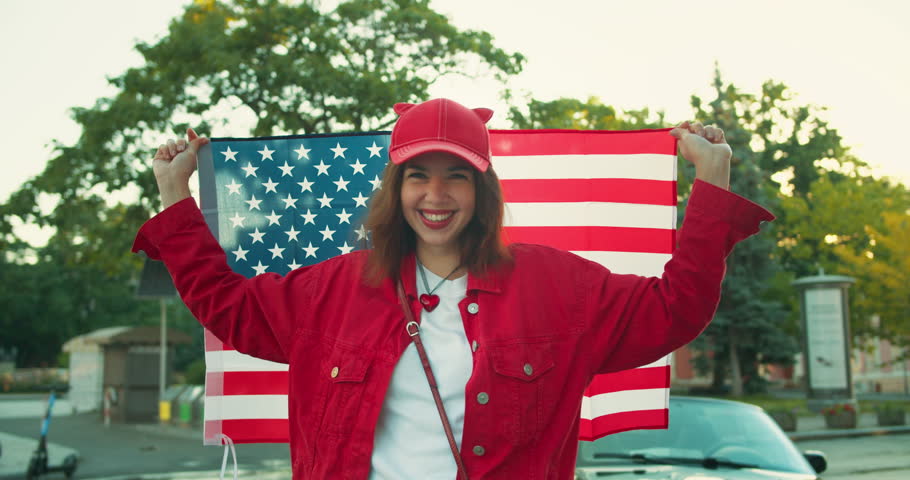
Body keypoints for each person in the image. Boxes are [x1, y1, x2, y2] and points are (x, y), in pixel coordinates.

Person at [133, 98, 774, 479]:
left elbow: (674, 310)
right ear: (395, 189)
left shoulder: (558, 285)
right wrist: (173, 195)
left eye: (456, 177)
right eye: (418, 176)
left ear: (483, 190)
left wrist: (711, 184)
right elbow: (225, 305)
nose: (435, 197)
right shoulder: (330, 291)